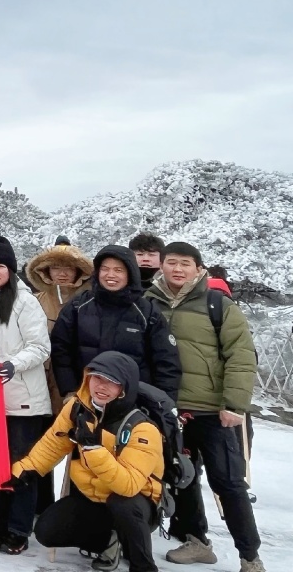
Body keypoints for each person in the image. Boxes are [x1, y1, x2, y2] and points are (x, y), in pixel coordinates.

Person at [145, 242, 263, 571]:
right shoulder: (149, 303)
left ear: (199, 269)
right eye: (171, 263)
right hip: (168, 409)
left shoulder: (217, 303)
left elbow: (241, 356)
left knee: (228, 482)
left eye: (185, 263)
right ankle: (197, 541)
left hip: (213, 410)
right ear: (161, 266)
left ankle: (250, 556)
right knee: (181, 478)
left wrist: (234, 404)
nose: (178, 269)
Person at [13, 351, 165, 572]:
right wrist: (27, 469)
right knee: (47, 531)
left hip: (135, 504)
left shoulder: (142, 427)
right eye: (97, 378)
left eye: (111, 383)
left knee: (123, 505)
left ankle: (142, 564)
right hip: (92, 496)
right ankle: (111, 539)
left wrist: (93, 448)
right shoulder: (78, 407)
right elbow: (54, 443)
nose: (101, 386)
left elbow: (129, 485)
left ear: (124, 388)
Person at [0, 237, 52, 555]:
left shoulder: (24, 300)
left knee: (22, 468)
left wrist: (12, 364)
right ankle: (4, 524)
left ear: (11, 269)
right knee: (2, 467)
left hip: (25, 400)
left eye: (0, 266)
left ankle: (19, 530)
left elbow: (40, 347)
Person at [50, 246, 181, 403]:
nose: (110, 275)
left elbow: (166, 360)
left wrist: (163, 402)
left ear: (130, 274)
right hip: (86, 397)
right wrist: (70, 389)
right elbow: (61, 349)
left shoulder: (147, 311)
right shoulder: (79, 306)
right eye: (105, 269)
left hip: (134, 400)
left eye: (118, 270)